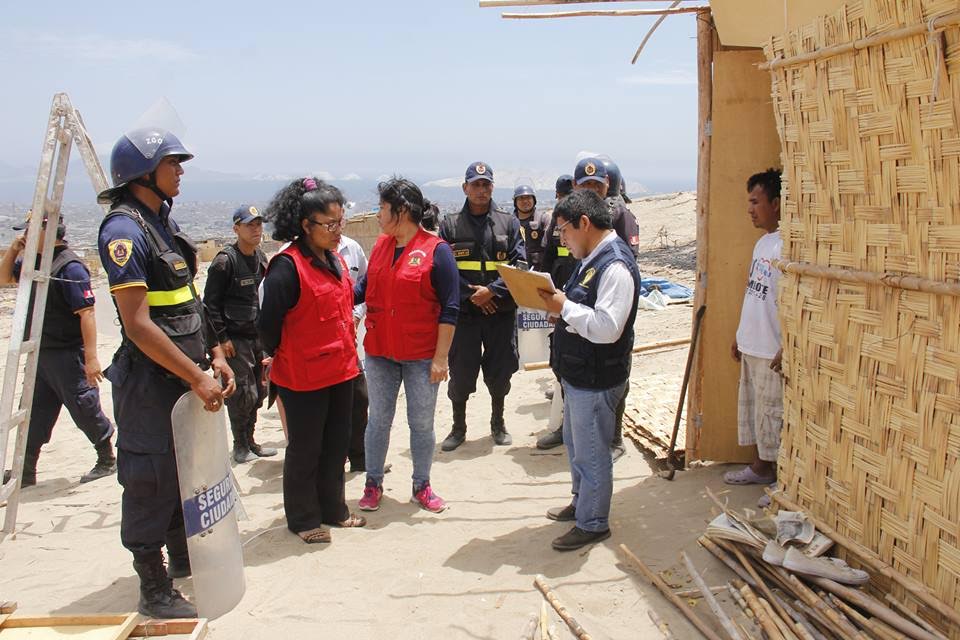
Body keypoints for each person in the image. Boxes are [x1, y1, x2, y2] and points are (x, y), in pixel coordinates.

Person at [97, 128, 236, 618]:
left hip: (182, 378)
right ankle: (153, 587)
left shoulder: (162, 225)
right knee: (150, 479)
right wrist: (196, 377)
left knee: (185, 472)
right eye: (171, 163)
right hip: (149, 384)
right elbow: (137, 325)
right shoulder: (124, 230)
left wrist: (215, 355)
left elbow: (188, 303)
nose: (180, 171)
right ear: (142, 172)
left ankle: (181, 557)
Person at [259, 177, 366, 545]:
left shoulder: (335, 259)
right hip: (303, 377)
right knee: (306, 449)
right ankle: (304, 518)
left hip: (341, 370)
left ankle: (334, 508)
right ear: (306, 225)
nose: (338, 232)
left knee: (337, 444)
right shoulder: (286, 267)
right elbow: (268, 325)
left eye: (341, 223)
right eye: (330, 224)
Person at [538, 189, 640, 551]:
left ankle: (594, 522)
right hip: (579, 375)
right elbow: (582, 308)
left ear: (584, 223)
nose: (562, 240)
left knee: (593, 452)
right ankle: (582, 502)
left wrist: (564, 308)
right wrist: (561, 309)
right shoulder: (592, 257)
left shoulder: (614, 266)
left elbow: (607, 328)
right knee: (578, 446)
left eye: (564, 231)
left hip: (597, 378)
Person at [354, 177, 459, 513]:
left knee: (422, 423)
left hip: (421, 355)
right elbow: (363, 288)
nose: (378, 214)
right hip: (380, 351)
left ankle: (421, 485)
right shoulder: (382, 246)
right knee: (378, 420)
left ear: (401, 212)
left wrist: (440, 358)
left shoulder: (437, 251)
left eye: (383, 208)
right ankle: (373, 483)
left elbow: (450, 307)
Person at [0, 213, 115, 487]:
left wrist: (91, 358)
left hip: (66, 352)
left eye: (29, 230)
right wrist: (15, 248)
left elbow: (86, 313)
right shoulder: (35, 262)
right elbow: (4, 278)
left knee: (83, 406)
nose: (25, 235)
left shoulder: (70, 267)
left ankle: (107, 458)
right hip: (41, 352)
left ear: (48, 232)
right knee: (34, 412)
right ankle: (25, 472)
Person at [438, 161, 526, 451]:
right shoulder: (449, 225)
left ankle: (498, 423)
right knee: (461, 372)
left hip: (499, 312)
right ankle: (458, 427)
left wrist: (492, 291)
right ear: (465, 188)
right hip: (465, 315)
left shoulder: (508, 223)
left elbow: (520, 264)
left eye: (486, 184)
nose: (481, 190)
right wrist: (471, 294)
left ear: (492, 187)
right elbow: (441, 268)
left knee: (500, 371)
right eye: (475, 184)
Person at [573, 157, 639, 459]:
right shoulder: (573, 216)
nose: (591, 189)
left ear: (606, 186)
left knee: (614, 377)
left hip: (611, 306)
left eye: (596, 185)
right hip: (578, 308)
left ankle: (614, 438)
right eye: (585, 184)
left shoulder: (619, 215)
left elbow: (625, 262)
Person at [724, 169, 784, 498]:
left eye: (755, 202)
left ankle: (781, 480)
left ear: (776, 203)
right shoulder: (763, 243)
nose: (749, 209)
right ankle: (761, 467)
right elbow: (754, 293)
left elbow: (791, 302)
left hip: (771, 346)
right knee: (759, 412)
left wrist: (788, 344)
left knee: (776, 414)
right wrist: (739, 334)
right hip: (752, 343)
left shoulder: (787, 246)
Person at [203, 205, 277, 463]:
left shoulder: (261, 259)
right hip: (235, 340)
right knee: (241, 394)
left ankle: (251, 440)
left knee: (259, 391)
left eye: (258, 224)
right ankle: (240, 445)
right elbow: (210, 305)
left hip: (257, 337)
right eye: (250, 225)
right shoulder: (225, 262)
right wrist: (221, 340)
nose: (256, 229)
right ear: (236, 229)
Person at [537, 175, 578, 450]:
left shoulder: (595, 220)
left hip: (584, 303)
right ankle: (565, 427)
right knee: (560, 360)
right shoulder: (556, 220)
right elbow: (547, 257)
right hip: (560, 299)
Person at [337, 233, 370, 473]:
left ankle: (360, 458)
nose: (335, 227)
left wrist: (357, 315)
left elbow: (363, 285)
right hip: (316, 351)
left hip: (347, 344)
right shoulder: (289, 258)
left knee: (359, 399)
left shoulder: (350, 249)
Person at [513, 183, 550, 271]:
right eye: (521, 198)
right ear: (515, 201)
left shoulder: (543, 219)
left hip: (539, 270)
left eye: (528, 198)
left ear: (534, 200)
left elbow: (549, 246)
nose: (525, 201)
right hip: (516, 271)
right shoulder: (509, 221)